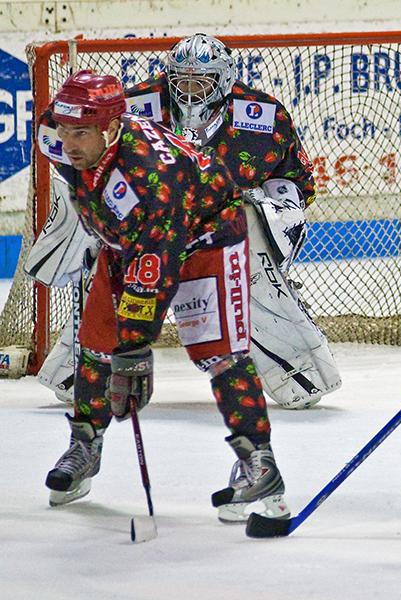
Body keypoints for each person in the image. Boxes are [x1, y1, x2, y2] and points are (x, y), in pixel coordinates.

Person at [31, 33, 340, 410]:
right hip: (147, 231)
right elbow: (77, 148)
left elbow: (294, 184)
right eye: (182, 80)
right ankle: (80, 370)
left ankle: (298, 372)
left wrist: (270, 228)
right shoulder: (134, 105)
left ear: (223, 80)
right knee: (105, 267)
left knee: (253, 270)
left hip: (220, 232)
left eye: (201, 82)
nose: (190, 91)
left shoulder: (264, 115)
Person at [35, 69, 291, 524]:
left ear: (111, 129)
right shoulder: (55, 138)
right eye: (64, 129)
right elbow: (116, 221)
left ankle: (259, 462)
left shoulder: (152, 179)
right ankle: (84, 446)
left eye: (81, 133)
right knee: (93, 345)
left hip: (206, 239)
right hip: (129, 240)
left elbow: (155, 268)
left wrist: (134, 347)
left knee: (221, 356)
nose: (69, 143)